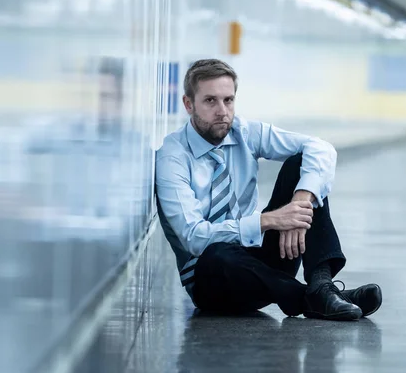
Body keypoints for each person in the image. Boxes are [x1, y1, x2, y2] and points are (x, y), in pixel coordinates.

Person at [155, 59, 382, 321]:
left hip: (263, 263)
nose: (222, 111)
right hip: (214, 281)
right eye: (210, 101)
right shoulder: (172, 158)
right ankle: (312, 297)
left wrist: (300, 201)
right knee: (216, 254)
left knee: (302, 167)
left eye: (228, 100)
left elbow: (321, 148)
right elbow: (194, 238)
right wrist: (271, 220)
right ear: (188, 104)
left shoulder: (244, 132)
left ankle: (321, 284)